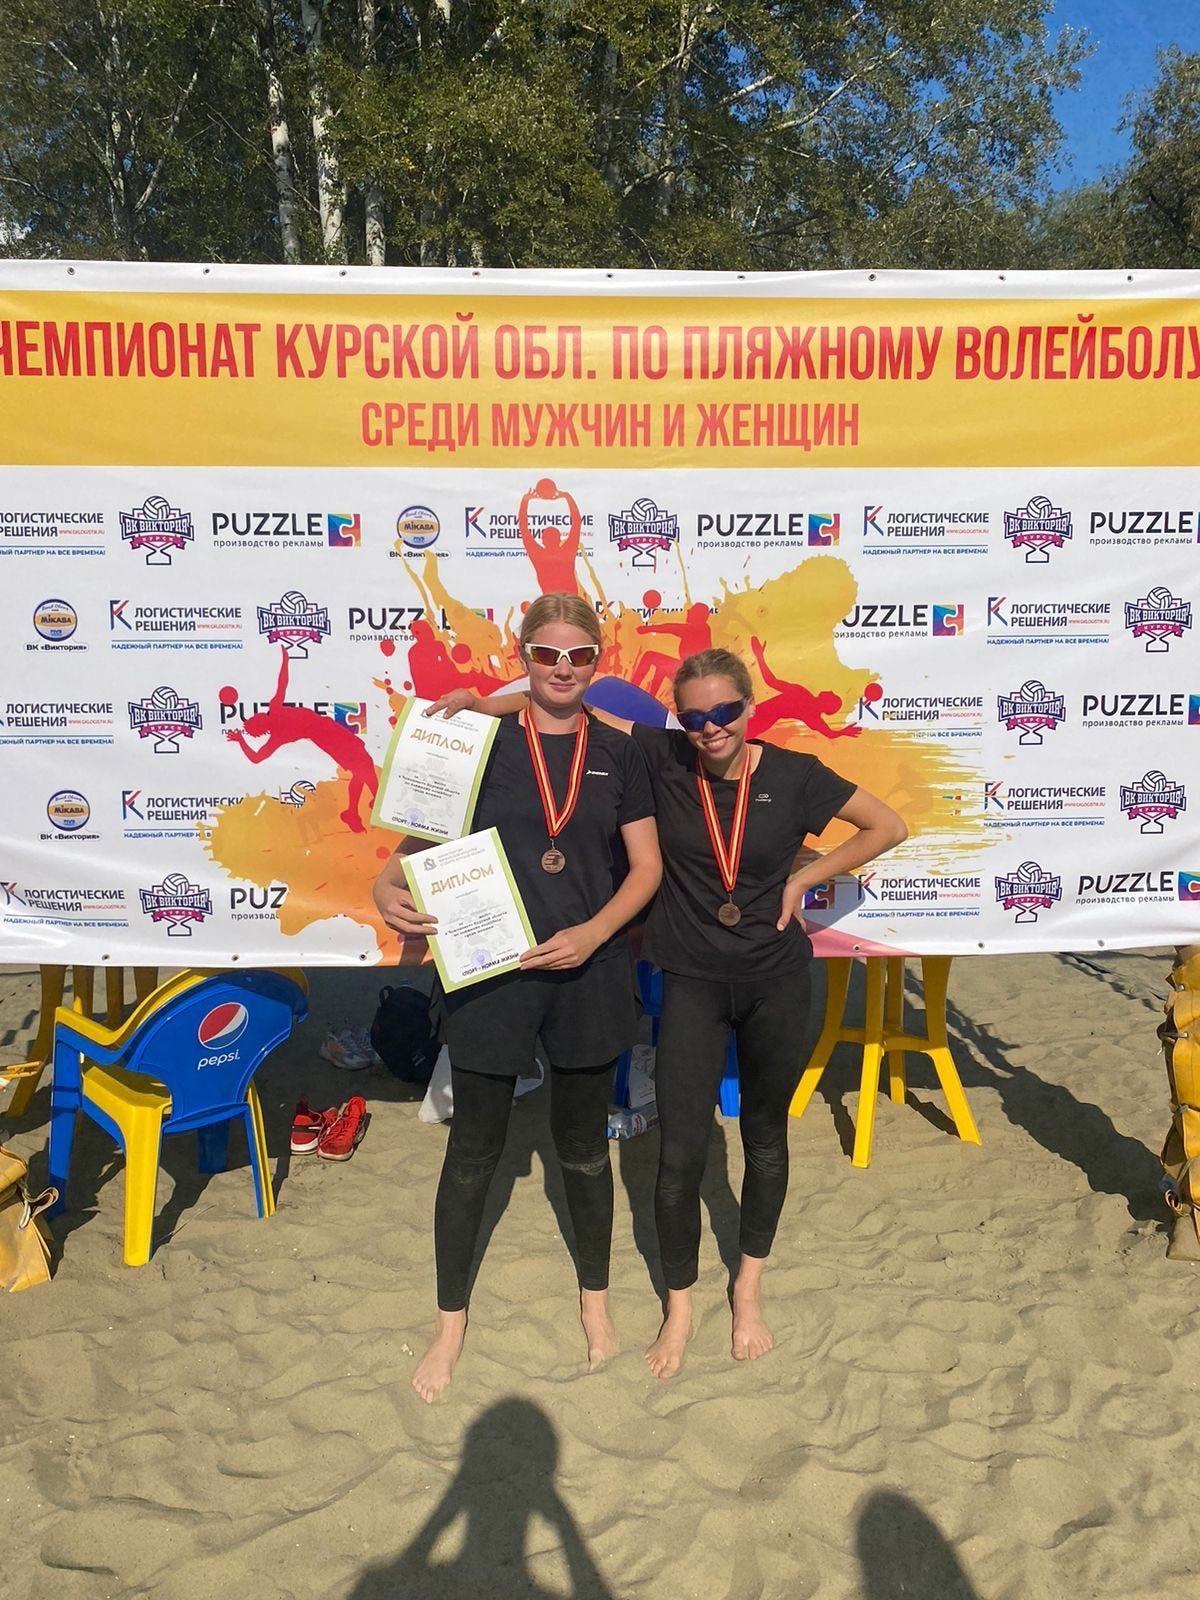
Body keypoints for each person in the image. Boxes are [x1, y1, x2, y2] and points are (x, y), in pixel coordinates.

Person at [429, 646, 906, 1379]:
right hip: (691, 982)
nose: (712, 727)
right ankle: (678, 1308)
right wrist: (480, 703)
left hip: (776, 981)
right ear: (679, 720)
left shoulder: (795, 774)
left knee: (765, 1140)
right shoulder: (664, 755)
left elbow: (886, 826)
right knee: (679, 1155)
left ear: (750, 708)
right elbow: (567, 704)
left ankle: (747, 1291)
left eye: (726, 711)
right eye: (695, 716)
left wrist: (805, 877)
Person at [373, 594, 661, 1402]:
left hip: (587, 972)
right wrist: (384, 886)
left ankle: (594, 1300)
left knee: (583, 1150)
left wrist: (595, 934)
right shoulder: (478, 741)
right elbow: (412, 846)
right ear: (522, 655)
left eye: (579, 656)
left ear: (597, 660)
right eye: (546, 654)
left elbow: (646, 868)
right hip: (491, 972)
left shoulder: (622, 751)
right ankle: (449, 1324)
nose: (563, 669)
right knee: (473, 1152)